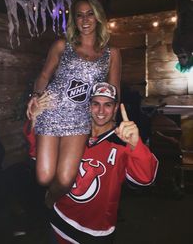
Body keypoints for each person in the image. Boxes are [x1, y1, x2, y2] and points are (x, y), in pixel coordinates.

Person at [26, 0, 121, 208]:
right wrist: (35, 96)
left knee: (66, 180)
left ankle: (53, 200)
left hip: (80, 118)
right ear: (74, 20)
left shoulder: (111, 53)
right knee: (43, 176)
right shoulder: (62, 45)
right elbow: (43, 76)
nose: (85, 20)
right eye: (79, 15)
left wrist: (110, 123)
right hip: (51, 110)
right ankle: (56, 200)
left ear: (98, 18)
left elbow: (113, 92)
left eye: (90, 14)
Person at [49, 82, 158, 244]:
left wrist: (136, 145)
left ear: (115, 109)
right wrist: (37, 119)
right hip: (60, 222)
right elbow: (39, 154)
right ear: (88, 107)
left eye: (107, 105)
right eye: (96, 104)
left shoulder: (123, 140)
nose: (101, 111)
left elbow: (146, 178)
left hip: (96, 233)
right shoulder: (73, 133)